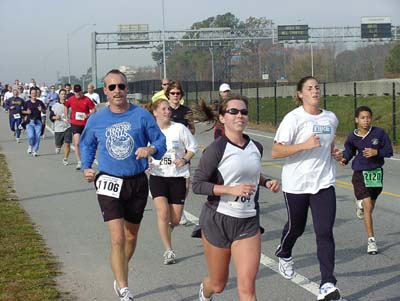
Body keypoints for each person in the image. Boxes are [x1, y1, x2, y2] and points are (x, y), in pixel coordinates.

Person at [80, 69, 166, 301]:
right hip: (109, 180)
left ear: (127, 89)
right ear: (105, 91)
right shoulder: (97, 119)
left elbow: (160, 140)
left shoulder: (141, 115)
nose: (117, 91)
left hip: (137, 181)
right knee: (117, 237)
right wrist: (87, 166)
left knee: (130, 236)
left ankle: (119, 269)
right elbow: (87, 144)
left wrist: (150, 149)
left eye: (121, 86)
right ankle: (124, 288)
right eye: (112, 87)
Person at [192, 94, 280, 301]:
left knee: (247, 288)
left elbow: (250, 174)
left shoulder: (255, 147)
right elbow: (197, 185)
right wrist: (230, 189)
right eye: (233, 111)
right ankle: (205, 294)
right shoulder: (215, 150)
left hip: (248, 222)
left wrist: (266, 182)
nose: (239, 115)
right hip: (218, 220)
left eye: (244, 112)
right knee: (218, 284)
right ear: (222, 118)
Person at [271, 76, 343, 301]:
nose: (315, 91)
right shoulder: (293, 118)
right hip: (296, 183)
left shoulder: (330, 118)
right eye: (309, 88)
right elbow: (276, 151)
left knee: (324, 232)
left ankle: (327, 283)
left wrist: (334, 152)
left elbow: (328, 142)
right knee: (296, 227)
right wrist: (304, 145)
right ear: (300, 94)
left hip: (323, 183)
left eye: (317, 87)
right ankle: (284, 252)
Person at [147, 98, 198, 265]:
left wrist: (184, 159)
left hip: (177, 177)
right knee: (162, 213)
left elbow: (193, 147)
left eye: (168, 109)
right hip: (157, 176)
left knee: (174, 220)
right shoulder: (149, 131)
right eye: (163, 109)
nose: (167, 111)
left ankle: (166, 231)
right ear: (155, 112)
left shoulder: (179, 129)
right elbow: (141, 149)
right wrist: (145, 159)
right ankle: (169, 250)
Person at [339, 105, 393, 255]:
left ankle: (360, 206)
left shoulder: (379, 133)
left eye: (368, 117)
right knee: (368, 205)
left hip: (375, 173)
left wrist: (377, 152)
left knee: (370, 205)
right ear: (356, 120)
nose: (366, 120)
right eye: (362, 118)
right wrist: (344, 158)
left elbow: (389, 151)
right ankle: (371, 241)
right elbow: (349, 150)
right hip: (360, 173)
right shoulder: (352, 136)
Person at [166, 80, 195, 225]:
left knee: (185, 184)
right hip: (167, 152)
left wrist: (186, 134)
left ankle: (180, 209)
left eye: (178, 93)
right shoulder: (165, 110)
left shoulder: (186, 111)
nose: (175, 96)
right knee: (168, 180)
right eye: (173, 93)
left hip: (183, 152)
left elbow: (192, 129)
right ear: (168, 94)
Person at [64, 84, 96, 170]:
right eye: (76, 92)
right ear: (74, 92)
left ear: (81, 91)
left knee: (86, 143)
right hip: (75, 123)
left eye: (79, 92)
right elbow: (66, 106)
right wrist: (66, 117)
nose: (77, 94)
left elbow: (93, 109)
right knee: (77, 143)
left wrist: (88, 115)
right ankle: (79, 161)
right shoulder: (71, 99)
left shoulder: (87, 99)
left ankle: (88, 159)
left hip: (86, 124)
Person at [22, 88, 46, 157]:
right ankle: (30, 145)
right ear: (30, 94)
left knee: (37, 137)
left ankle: (35, 150)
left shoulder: (40, 102)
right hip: (29, 122)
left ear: (37, 94)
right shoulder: (27, 103)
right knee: (31, 136)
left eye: (35, 93)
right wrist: (27, 112)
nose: (34, 94)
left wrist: (41, 110)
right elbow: (22, 111)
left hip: (38, 122)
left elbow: (44, 111)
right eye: (32, 93)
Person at [51, 89, 72, 165]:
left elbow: (73, 115)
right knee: (58, 143)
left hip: (68, 127)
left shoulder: (70, 105)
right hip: (58, 128)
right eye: (62, 94)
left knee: (67, 143)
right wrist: (55, 117)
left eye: (64, 94)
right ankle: (58, 146)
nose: (63, 95)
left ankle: (65, 159)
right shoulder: (55, 106)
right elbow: (51, 116)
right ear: (59, 95)